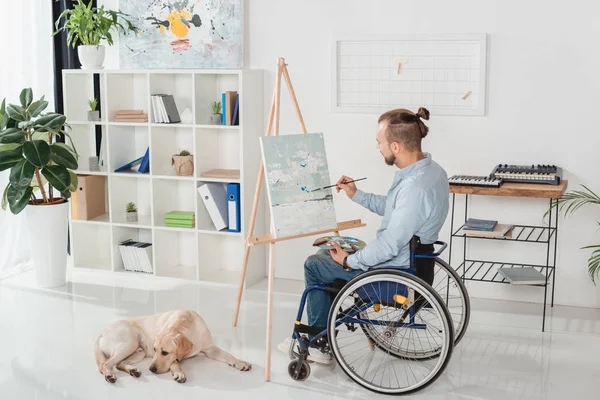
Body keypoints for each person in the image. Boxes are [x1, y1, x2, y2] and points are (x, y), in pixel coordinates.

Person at [278, 107, 449, 364]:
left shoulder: (413, 187)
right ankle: (324, 329)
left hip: (397, 274)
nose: (378, 147)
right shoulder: (432, 171)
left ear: (395, 146)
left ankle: (318, 342)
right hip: (416, 263)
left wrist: (349, 261)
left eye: (379, 142)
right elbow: (395, 209)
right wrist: (355, 194)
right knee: (331, 256)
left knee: (316, 264)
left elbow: (390, 244)